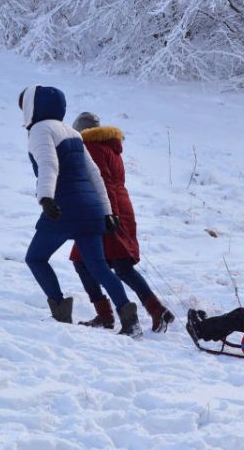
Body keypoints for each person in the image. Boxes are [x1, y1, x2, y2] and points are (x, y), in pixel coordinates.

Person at [18, 85, 142, 337]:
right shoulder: (73, 132)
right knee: (98, 266)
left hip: (65, 207)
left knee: (35, 258)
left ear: (33, 107)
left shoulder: (41, 130)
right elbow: (94, 173)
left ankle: (60, 309)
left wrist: (45, 198)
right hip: (92, 210)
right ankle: (129, 318)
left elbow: (48, 164)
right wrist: (107, 212)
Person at [68, 112, 176, 333]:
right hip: (118, 208)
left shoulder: (92, 148)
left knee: (83, 261)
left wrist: (110, 214)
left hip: (106, 211)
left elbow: (104, 183)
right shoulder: (109, 147)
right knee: (120, 266)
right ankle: (156, 310)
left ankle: (107, 314)